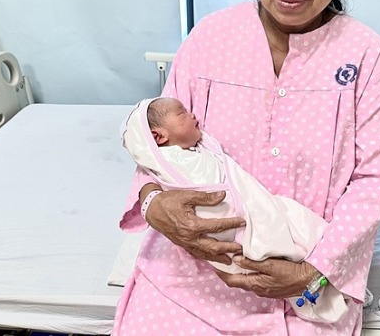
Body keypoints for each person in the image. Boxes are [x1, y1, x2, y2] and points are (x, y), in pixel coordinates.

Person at [112, 0, 380, 336]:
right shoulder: (209, 39)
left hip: (302, 278)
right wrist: (152, 204)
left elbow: (375, 179)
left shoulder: (365, 54)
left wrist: (314, 271)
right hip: (193, 274)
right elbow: (156, 142)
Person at [121, 96, 350, 322]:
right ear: (158, 137)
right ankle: (320, 280)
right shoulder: (169, 160)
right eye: (183, 113)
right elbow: (150, 171)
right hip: (228, 229)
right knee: (280, 240)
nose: (193, 115)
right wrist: (150, 199)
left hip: (261, 205)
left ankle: (327, 272)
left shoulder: (191, 150)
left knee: (300, 225)